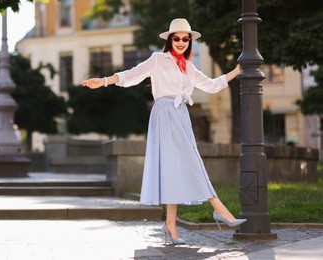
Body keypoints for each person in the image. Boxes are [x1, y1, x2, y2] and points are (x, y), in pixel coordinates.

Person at [82, 18, 246, 244]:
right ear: (170, 40)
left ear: (189, 41)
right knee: (189, 161)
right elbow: (132, 74)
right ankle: (219, 209)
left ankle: (171, 224)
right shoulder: (158, 59)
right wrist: (103, 81)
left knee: (176, 167)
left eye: (185, 39)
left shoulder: (188, 66)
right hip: (164, 114)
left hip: (180, 115)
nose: (180, 42)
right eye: (176, 38)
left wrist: (236, 70)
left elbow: (211, 85)